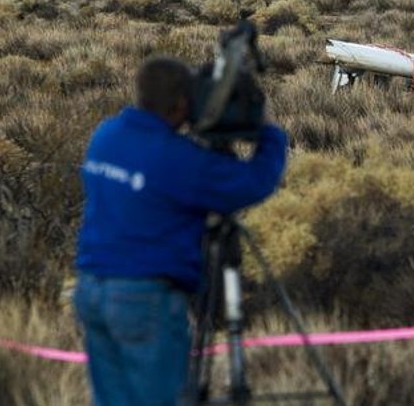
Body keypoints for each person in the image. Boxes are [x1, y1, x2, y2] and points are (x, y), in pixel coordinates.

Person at [73, 55, 288, 406]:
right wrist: (269, 132)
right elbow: (254, 182)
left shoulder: (107, 135)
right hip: (143, 299)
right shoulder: (178, 159)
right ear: (181, 104)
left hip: (90, 290)